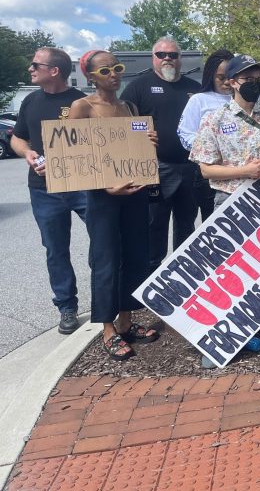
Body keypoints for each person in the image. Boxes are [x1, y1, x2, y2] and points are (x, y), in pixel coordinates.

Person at [190, 54, 260, 355]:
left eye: (257, 79)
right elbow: (206, 169)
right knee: (230, 268)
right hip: (229, 201)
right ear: (231, 82)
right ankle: (231, 329)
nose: (253, 84)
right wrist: (245, 172)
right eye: (247, 79)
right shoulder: (213, 119)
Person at [69, 51, 160, 360]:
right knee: (106, 259)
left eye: (117, 68)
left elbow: (134, 147)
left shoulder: (129, 107)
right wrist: (105, 186)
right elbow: (73, 158)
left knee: (136, 255)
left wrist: (149, 143)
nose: (114, 74)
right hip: (102, 197)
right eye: (105, 70)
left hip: (133, 192)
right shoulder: (82, 108)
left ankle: (126, 320)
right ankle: (107, 328)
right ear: (90, 77)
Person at [11, 47, 87, 335]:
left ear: (53, 70)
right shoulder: (30, 101)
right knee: (56, 250)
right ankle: (67, 307)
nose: (30, 69)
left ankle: (111, 301)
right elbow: (18, 138)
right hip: (44, 189)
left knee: (104, 242)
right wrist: (28, 153)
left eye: (35, 65)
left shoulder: (83, 101)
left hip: (83, 186)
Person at [121, 37, 201, 273]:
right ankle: (152, 272)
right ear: (153, 58)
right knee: (154, 223)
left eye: (173, 55)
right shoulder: (139, 86)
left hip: (191, 167)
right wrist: (139, 135)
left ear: (180, 59)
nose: (167, 58)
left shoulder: (194, 89)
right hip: (157, 167)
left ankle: (183, 272)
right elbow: (122, 125)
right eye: (161, 54)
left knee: (186, 222)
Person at [178, 49, 235, 221]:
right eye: (220, 77)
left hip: (243, 172)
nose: (226, 82)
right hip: (210, 175)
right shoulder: (199, 100)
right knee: (214, 224)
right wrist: (210, 152)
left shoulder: (245, 99)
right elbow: (184, 134)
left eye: (230, 76)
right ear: (211, 76)